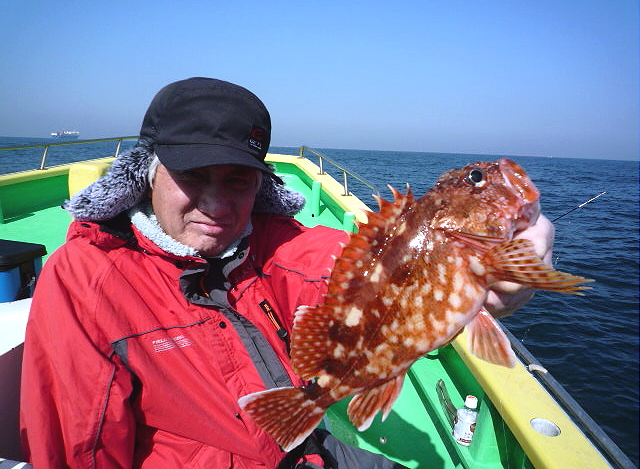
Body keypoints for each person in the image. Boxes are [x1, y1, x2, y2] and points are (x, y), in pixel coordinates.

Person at [20, 77, 555, 469]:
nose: (216, 205)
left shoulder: (275, 241)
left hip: (307, 448)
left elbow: (347, 266)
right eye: (193, 175)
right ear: (147, 172)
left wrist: (501, 274)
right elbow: (78, 445)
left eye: (237, 180)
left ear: (261, 185)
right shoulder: (87, 278)